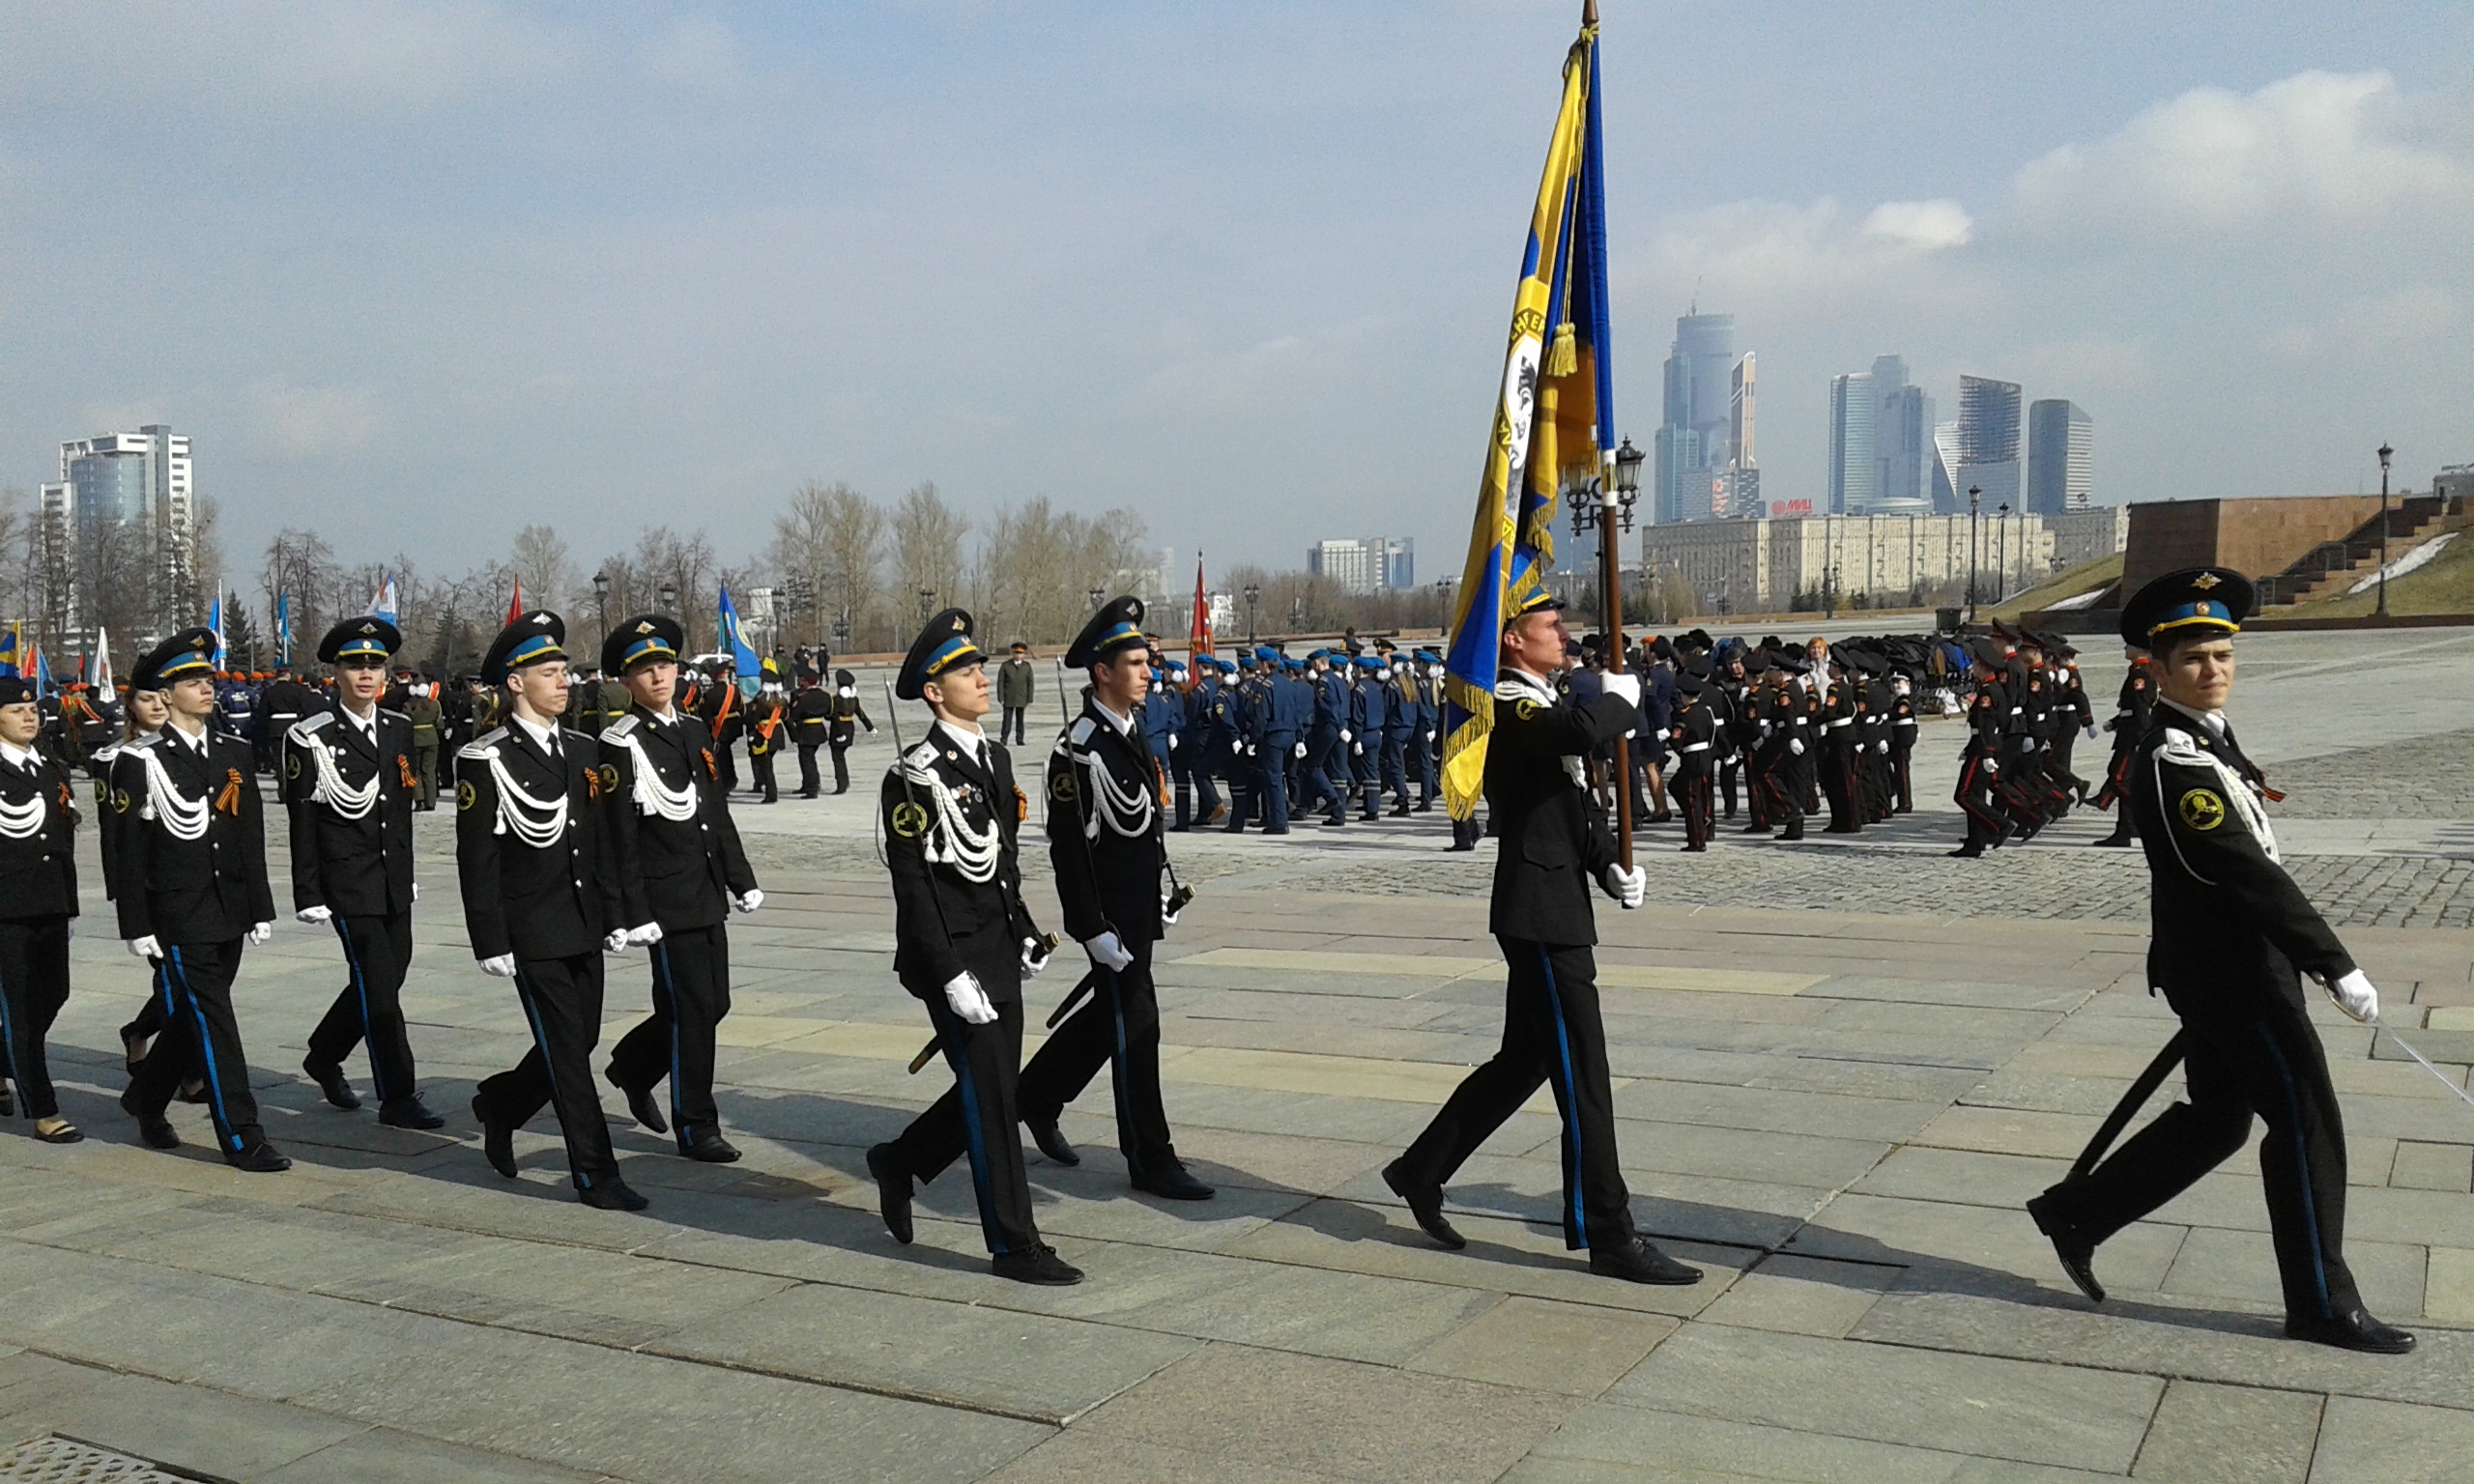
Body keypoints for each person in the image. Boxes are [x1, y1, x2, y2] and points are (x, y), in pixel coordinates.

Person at [2025, 568, 2411, 1355]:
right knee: (2306, 1126)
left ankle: (2079, 1214)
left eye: (2223, 655)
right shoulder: (2175, 762)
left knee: (2216, 1122)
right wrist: (2335, 964)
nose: (2213, 670)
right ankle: (2321, 1303)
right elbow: (2242, 869)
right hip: (2237, 975)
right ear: (2156, 670)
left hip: (2224, 966)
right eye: (2195, 659)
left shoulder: (2208, 740)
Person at [1381, 591, 1697, 1286]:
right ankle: (1608, 1233)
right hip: (1539, 914)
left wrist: (1609, 865)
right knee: (1584, 1074)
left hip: (1554, 899)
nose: (1564, 633)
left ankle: (1421, 1169)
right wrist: (1619, 698)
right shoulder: (1506, 702)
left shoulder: (1541, 697)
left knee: (1523, 1062)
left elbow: (1567, 805)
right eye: (1549, 625)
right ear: (1514, 641)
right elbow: (1578, 737)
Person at [863, 610, 1079, 1285]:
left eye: (980, 668)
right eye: (966, 672)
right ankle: (1014, 1244)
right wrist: (951, 974)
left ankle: (901, 1161)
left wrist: (1023, 933)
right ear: (933, 691)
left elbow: (999, 866)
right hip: (951, 960)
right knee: (992, 1103)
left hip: (995, 948)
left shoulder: (993, 754)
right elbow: (917, 889)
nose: (983, 679)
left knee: (995, 1091)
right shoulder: (913, 776)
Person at [1016, 596, 1214, 1200]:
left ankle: (1036, 1096)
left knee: (1115, 1021)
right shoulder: (1077, 749)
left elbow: (1140, 828)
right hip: (1109, 921)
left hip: (1136, 912)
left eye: (1147, 660)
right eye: (1135, 663)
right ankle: (1151, 1159)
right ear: (1102, 672)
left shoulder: (1132, 731)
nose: (1149, 671)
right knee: (1137, 1029)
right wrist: (1090, 927)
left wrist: (1158, 895)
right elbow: (1069, 850)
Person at [459, 612, 642, 1210]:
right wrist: (490, 940)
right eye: (550, 672)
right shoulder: (485, 759)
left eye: (565, 671)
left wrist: (616, 914)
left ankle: (502, 1105)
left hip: (585, 919)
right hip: (532, 928)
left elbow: (602, 843)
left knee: (581, 1037)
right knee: (567, 1052)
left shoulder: (584, 748)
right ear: (516, 682)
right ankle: (595, 1173)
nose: (565, 682)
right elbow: (478, 859)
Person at [111, 629, 289, 1171]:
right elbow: (128, 853)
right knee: (217, 1021)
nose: (207, 687)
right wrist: (136, 923)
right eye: (192, 680)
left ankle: (144, 1098)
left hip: (229, 905)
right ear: (164, 696)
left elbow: (247, 835)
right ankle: (242, 1133)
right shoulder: (139, 760)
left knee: (192, 1017)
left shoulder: (232, 750)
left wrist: (260, 905)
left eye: (208, 677)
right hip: (179, 910)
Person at [598, 614, 762, 1163]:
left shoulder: (693, 730)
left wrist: (740, 879)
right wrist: (632, 910)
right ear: (627, 681)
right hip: (664, 902)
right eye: (645, 669)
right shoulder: (620, 743)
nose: (658, 676)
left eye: (664, 664)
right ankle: (695, 1124)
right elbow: (619, 837)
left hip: (705, 889)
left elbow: (714, 814)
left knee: (714, 1003)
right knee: (691, 1011)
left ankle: (632, 1066)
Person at [285, 617, 444, 1129]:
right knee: (378, 987)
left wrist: (408, 873)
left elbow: (397, 812)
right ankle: (398, 1096)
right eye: (356, 666)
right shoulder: (311, 737)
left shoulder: (398, 727)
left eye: (375, 666)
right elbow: (303, 818)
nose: (367, 675)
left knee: (389, 974)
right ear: (336, 672)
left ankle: (324, 1054)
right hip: (346, 881)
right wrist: (308, 890)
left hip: (392, 877)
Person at [0, 676, 84, 1143]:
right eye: (17, 710)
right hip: (6, 905)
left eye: (33, 710)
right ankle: (43, 1107)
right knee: (23, 1008)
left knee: (55, 992)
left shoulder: (50, 765)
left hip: (51, 899)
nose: (30, 716)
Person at [744, 658, 787, 805]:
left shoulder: (761, 701)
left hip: (765, 734)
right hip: (778, 734)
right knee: (767, 764)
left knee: (766, 766)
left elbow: (753, 719)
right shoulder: (782, 700)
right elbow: (786, 716)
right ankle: (767, 788)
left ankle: (771, 794)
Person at [826, 669, 874, 794]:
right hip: (850, 729)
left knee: (838, 758)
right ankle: (845, 781)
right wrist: (870, 728)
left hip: (838, 730)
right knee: (841, 757)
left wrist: (840, 732)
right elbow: (861, 714)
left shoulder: (835, 699)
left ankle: (841, 785)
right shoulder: (854, 699)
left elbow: (833, 716)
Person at [402, 671, 444, 811]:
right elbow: (439, 723)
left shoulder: (409, 705)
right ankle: (431, 802)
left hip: (414, 738)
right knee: (430, 771)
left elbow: (405, 722)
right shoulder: (435, 704)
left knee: (416, 771)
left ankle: (419, 800)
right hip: (432, 738)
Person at [790, 667, 832, 797]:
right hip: (819, 729)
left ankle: (812, 788)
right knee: (809, 759)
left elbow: (794, 715)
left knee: (807, 760)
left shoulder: (803, 698)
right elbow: (829, 713)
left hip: (806, 730)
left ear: (805, 681)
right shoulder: (825, 696)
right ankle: (809, 783)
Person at [995, 641, 1036, 747]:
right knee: (1007, 720)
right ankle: (1004, 739)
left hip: (1021, 697)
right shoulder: (1005, 666)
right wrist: (1001, 697)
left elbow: (1030, 682)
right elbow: (1000, 682)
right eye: (1016, 653)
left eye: (1020, 653)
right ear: (1013, 653)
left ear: (1023, 655)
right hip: (1008, 696)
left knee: (1020, 720)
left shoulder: (1027, 667)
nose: (1018, 655)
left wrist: (1029, 698)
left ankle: (1019, 739)